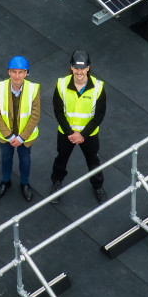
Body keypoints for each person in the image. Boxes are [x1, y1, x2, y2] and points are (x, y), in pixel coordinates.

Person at [50, 50, 108, 203]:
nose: (79, 72)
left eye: (82, 68)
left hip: (88, 135)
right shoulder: (61, 84)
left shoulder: (98, 88)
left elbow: (99, 115)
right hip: (66, 134)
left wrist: (83, 134)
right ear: (71, 67)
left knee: (93, 161)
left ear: (88, 68)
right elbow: (58, 111)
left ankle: (98, 186)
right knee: (61, 159)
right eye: (76, 68)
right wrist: (70, 132)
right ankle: (56, 183)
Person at [0, 56, 40, 201]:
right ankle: (6, 181)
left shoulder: (33, 89)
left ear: (26, 73)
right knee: (6, 158)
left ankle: (25, 183)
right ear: (9, 72)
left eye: (20, 72)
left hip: (25, 137)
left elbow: (35, 115)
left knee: (25, 161)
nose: (17, 76)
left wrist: (21, 137)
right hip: (6, 136)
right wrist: (10, 136)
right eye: (14, 72)